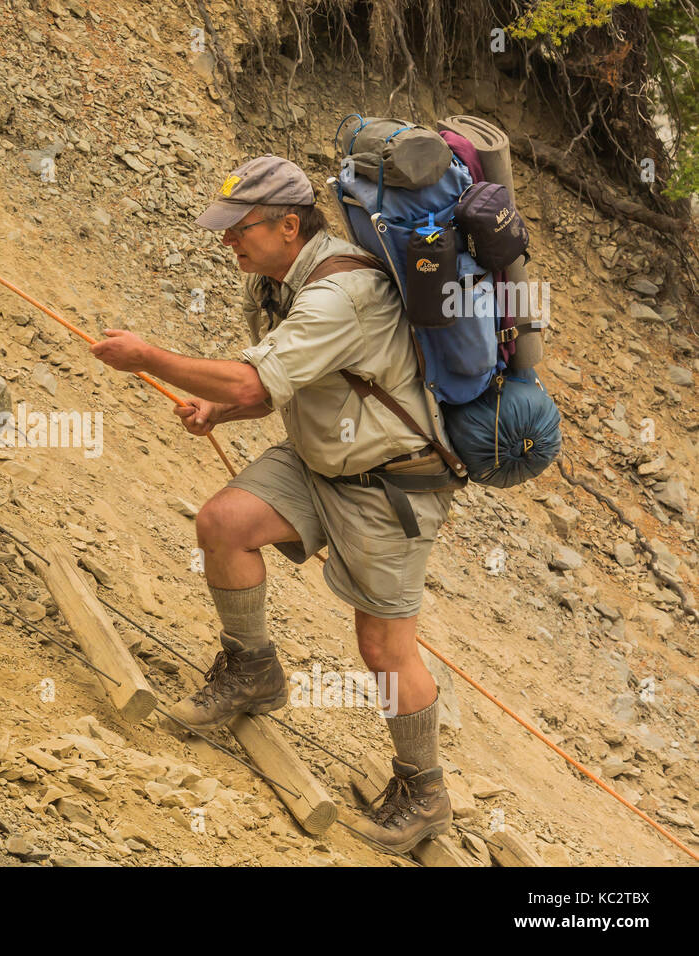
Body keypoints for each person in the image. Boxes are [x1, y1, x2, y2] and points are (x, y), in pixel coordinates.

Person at [89, 155, 463, 852]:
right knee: (224, 522)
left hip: (391, 483)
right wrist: (220, 409)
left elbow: (252, 382)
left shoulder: (338, 293)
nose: (228, 241)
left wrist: (149, 358)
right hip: (321, 456)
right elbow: (272, 383)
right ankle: (252, 671)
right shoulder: (276, 281)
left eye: (240, 230)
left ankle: (424, 788)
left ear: (289, 225)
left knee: (383, 647)